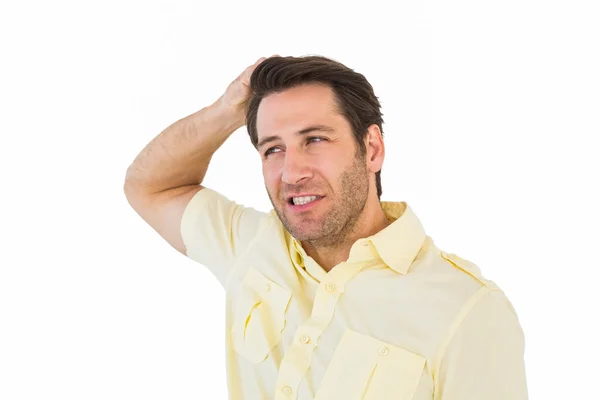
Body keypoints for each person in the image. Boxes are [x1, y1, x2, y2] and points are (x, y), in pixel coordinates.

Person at [123, 55, 528, 399]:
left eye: (314, 140)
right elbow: (150, 185)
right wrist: (227, 109)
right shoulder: (251, 245)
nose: (291, 172)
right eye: (273, 149)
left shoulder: (468, 309)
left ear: (371, 149)